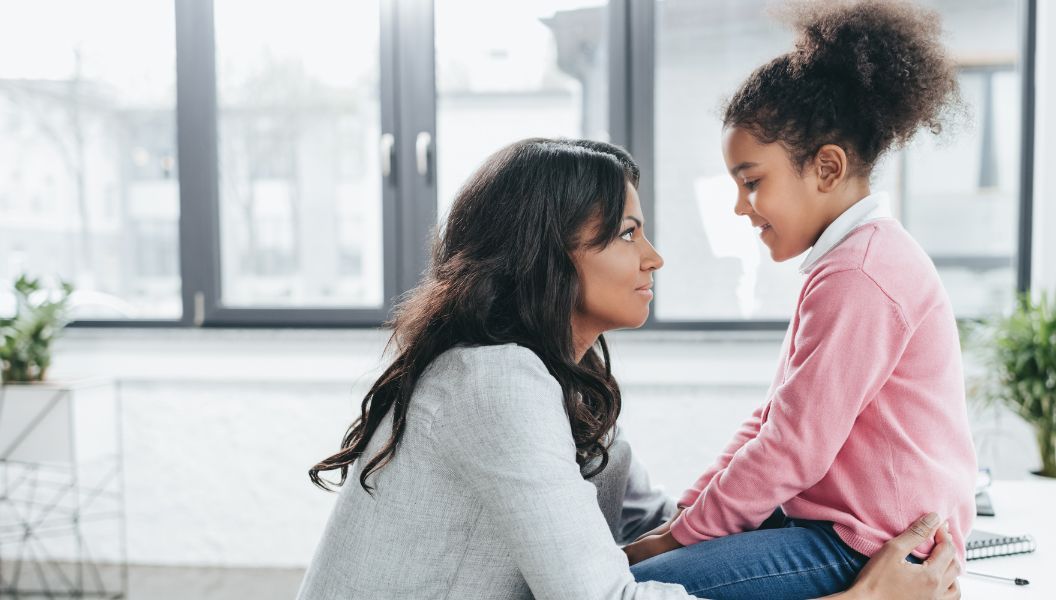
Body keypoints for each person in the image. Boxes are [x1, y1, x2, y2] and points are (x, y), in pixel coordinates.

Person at [296, 138, 961, 599]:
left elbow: (658, 529)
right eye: (625, 233)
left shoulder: (561, 388)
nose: (654, 257)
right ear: (545, 255)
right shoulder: (494, 385)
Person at [622, 1, 977, 598]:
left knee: (634, 586)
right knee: (636, 574)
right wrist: (685, 517)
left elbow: (792, 448)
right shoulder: (850, 260)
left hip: (867, 543)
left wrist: (679, 538)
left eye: (752, 181)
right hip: (835, 527)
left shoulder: (861, 273)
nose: (740, 207)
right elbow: (773, 420)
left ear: (827, 168)